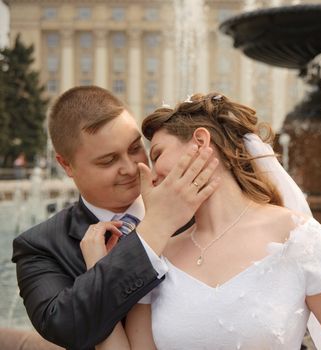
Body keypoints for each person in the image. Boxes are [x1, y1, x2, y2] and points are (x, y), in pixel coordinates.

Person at [81, 92, 321, 349]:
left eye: (157, 155)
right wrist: (98, 271)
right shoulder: (156, 255)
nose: (152, 175)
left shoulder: (299, 238)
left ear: (200, 141)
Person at [11, 86, 220, 350]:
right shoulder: (39, 247)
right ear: (66, 165)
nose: (130, 168)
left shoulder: (197, 207)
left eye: (135, 148)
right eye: (108, 161)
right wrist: (154, 230)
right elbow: (67, 327)